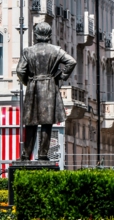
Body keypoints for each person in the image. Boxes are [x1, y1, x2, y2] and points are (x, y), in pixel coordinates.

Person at [16, 22, 76, 160]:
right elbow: (71, 62)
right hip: (49, 87)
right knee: (46, 123)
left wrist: (27, 82)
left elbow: (20, 70)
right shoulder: (56, 50)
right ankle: (43, 155)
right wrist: (62, 75)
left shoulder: (28, 51)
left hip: (33, 86)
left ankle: (26, 155)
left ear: (36, 35)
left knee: (30, 123)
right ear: (49, 35)